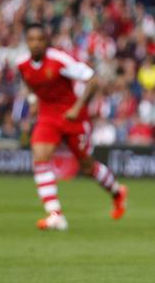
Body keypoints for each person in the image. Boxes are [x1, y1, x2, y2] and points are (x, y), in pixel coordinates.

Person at [17, 23, 127, 230]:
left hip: (72, 117)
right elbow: (28, 81)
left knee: (87, 167)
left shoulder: (59, 60)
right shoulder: (22, 64)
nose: (36, 43)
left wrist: (77, 107)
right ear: (27, 42)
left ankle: (117, 191)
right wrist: (33, 101)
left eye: (40, 39)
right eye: (32, 40)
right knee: (40, 156)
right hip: (47, 116)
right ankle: (55, 214)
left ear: (46, 42)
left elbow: (92, 80)